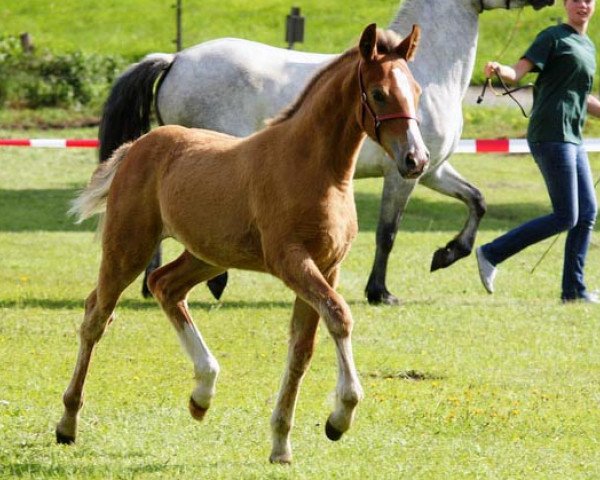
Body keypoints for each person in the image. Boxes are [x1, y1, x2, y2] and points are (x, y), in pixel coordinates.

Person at [476, 0, 600, 303]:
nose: (582, 5)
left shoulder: (587, 46)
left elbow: (582, 97)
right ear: (565, 4)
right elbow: (517, 74)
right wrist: (498, 69)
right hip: (550, 134)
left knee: (586, 214)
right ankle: (491, 253)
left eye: (588, 0)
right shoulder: (552, 37)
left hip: (572, 136)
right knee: (565, 216)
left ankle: (573, 290)